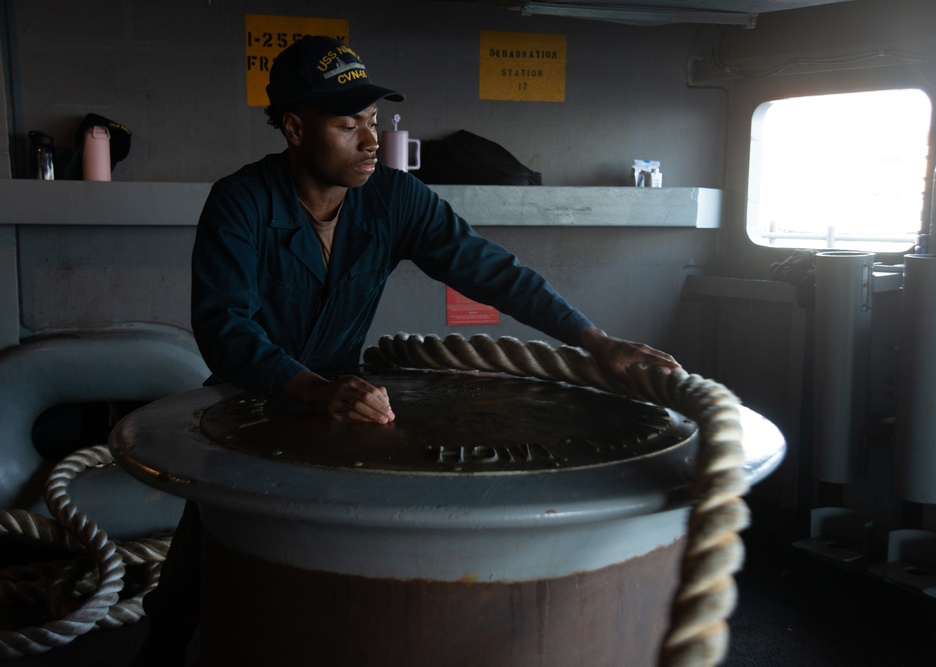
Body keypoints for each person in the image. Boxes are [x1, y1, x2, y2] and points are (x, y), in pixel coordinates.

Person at [133, 34, 679, 666]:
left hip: (344, 399)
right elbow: (225, 329)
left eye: (371, 122)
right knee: (210, 539)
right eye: (347, 125)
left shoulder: (394, 197)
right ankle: (164, 644)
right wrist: (311, 387)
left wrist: (595, 340)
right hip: (249, 398)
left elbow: (491, 270)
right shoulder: (241, 202)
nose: (369, 141)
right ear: (293, 127)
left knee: (321, 552)